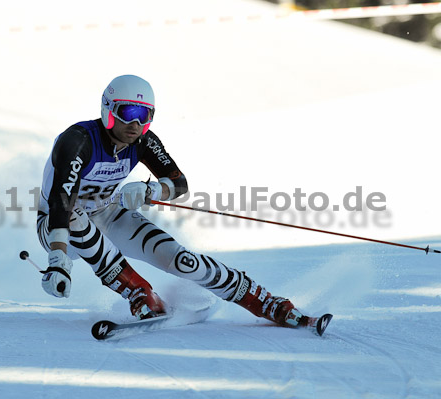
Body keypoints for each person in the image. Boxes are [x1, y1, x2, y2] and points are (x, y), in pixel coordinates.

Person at [36, 74, 311, 328]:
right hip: (56, 226)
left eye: (144, 115)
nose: (136, 124)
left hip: (107, 214)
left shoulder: (143, 141)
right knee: (75, 215)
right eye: (128, 112)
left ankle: (262, 300)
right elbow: (62, 201)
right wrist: (59, 259)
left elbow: (178, 183)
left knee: (181, 260)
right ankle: (139, 292)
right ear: (108, 109)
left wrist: (152, 191)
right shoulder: (78, 140)